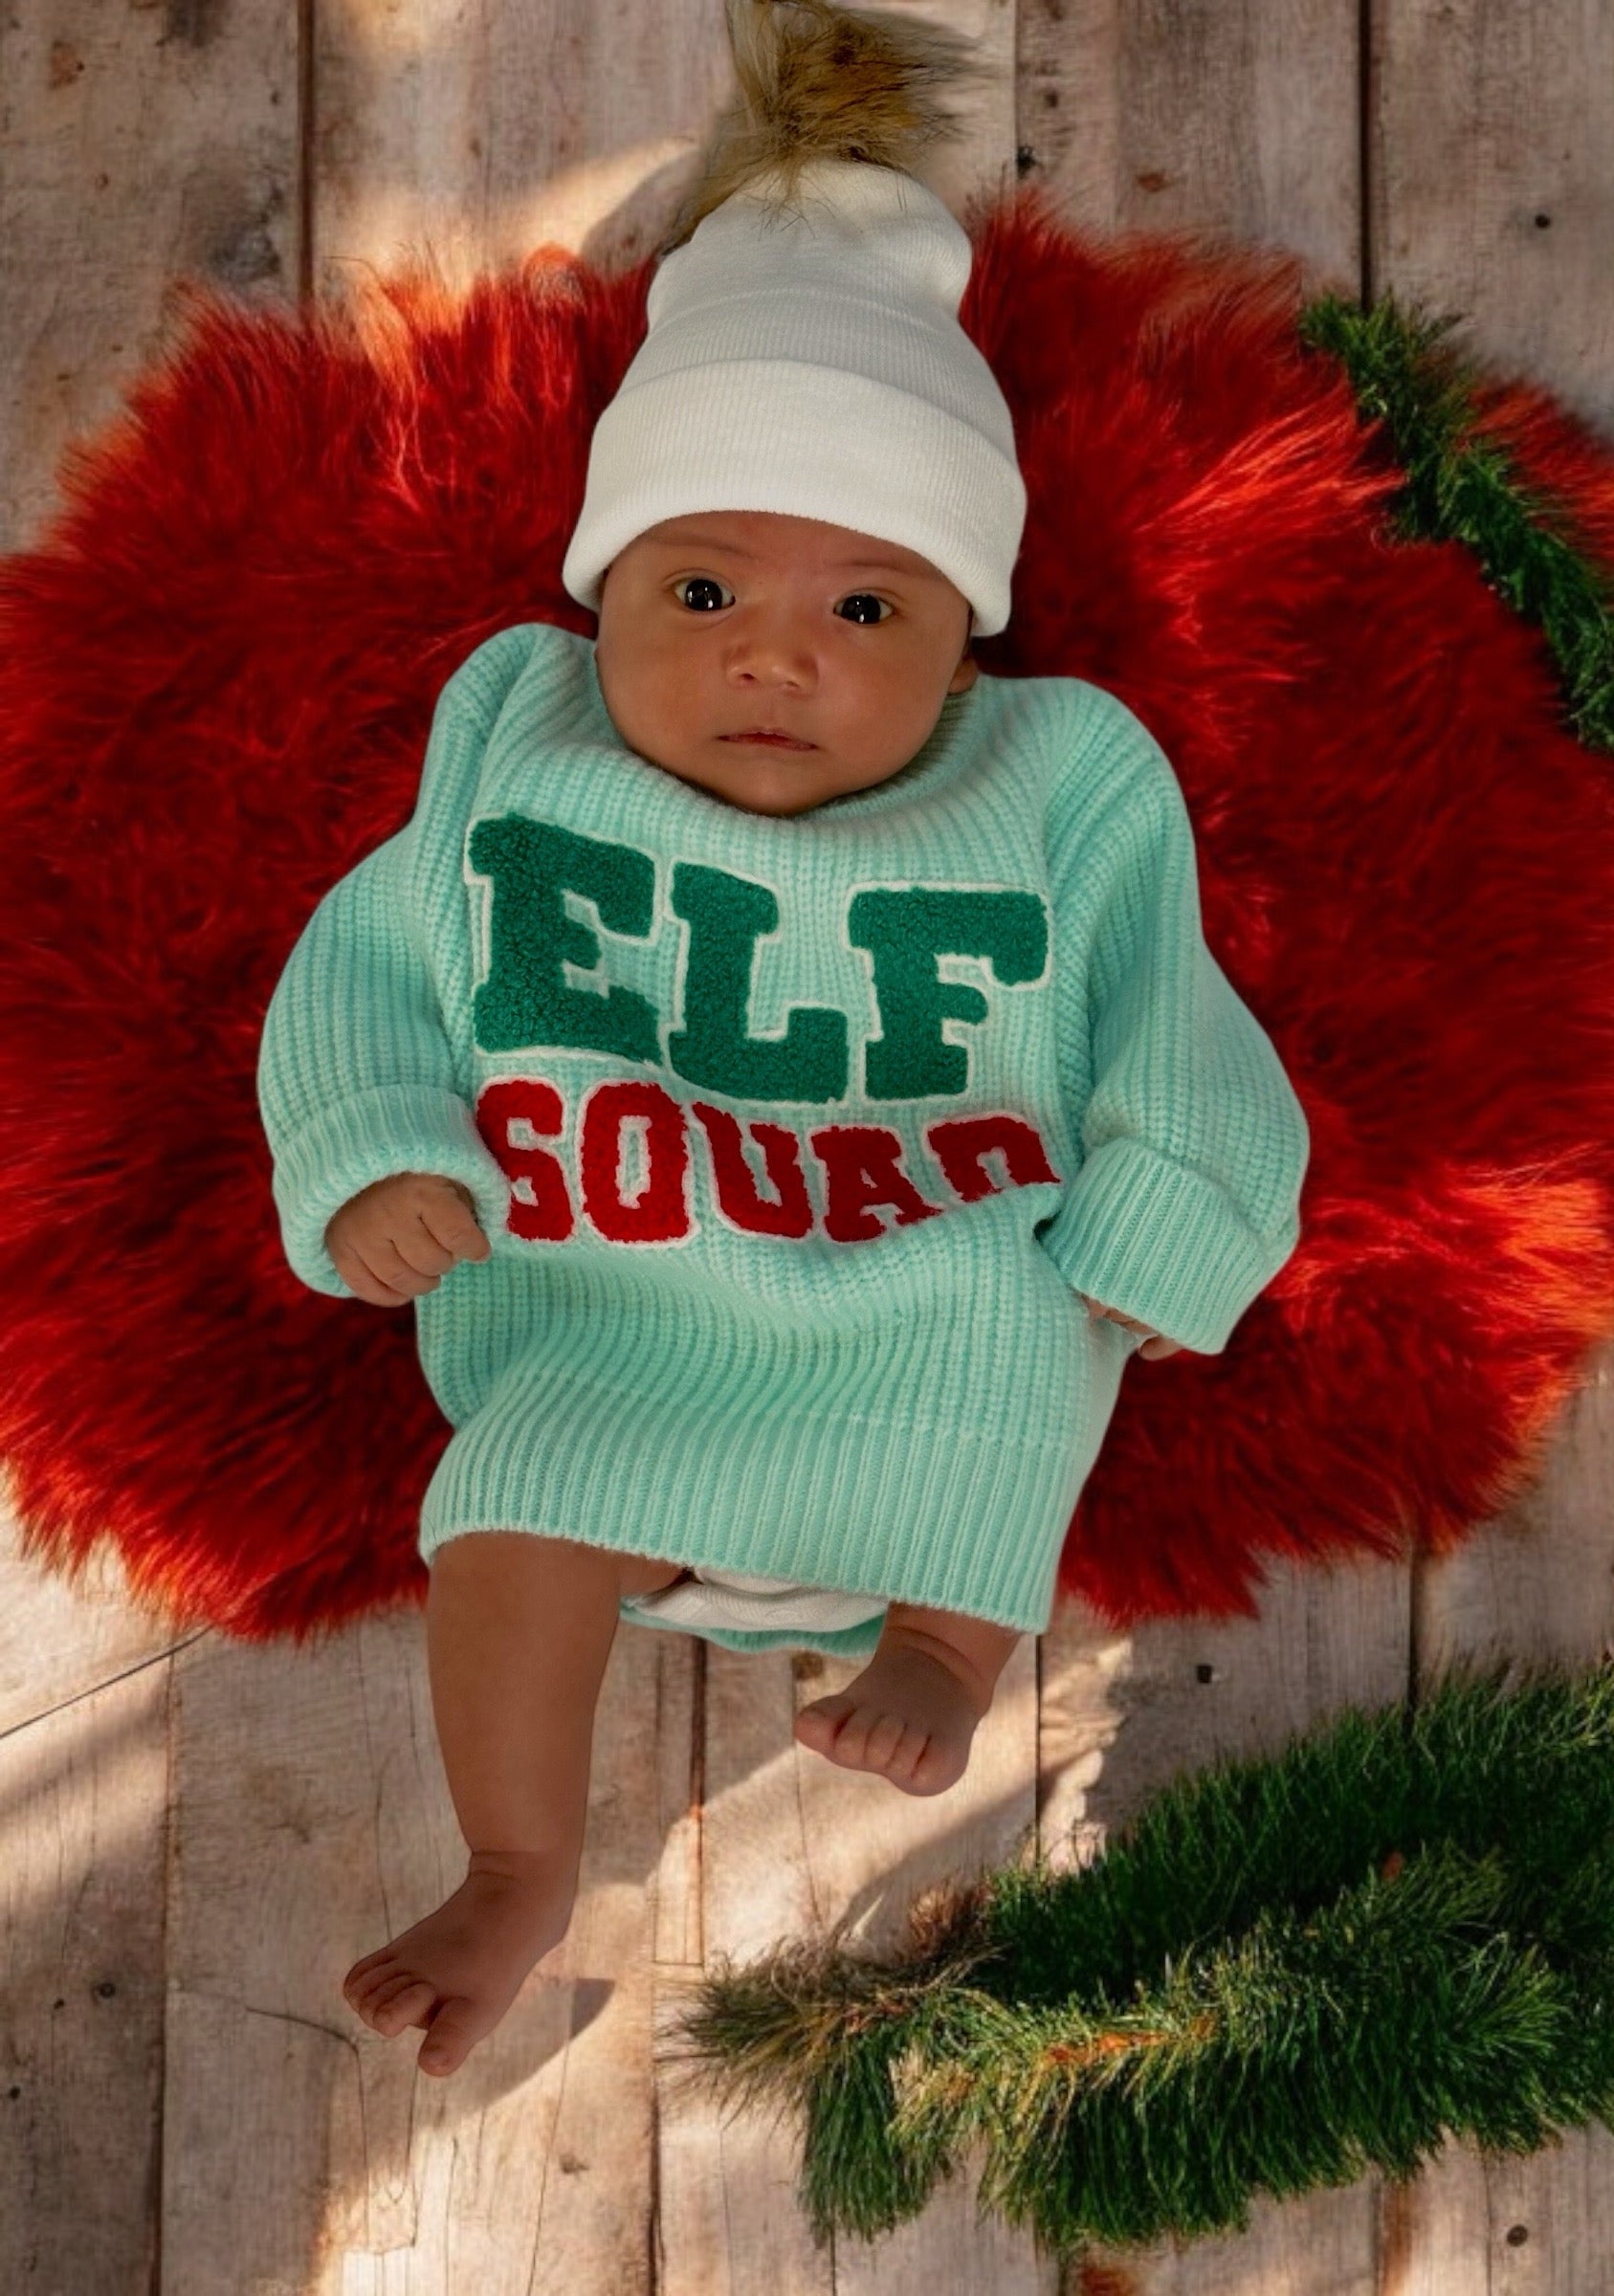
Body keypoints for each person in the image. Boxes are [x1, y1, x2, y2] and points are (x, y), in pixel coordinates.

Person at [256, 14, 1310, 2083]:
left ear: (968, 638)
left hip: (935, 1276)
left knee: (1028, 1359)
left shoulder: (1061, 777)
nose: (771, 652)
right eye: (709, 583)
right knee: (522, 1493)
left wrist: (1171, 1225)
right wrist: (374, 1142)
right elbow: (365, 957)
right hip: (610, 1286)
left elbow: (1178, 1018)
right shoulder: (522, 735)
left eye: (866, 611)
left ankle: (937, 1635)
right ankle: (518, 1858)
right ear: (606, 585)